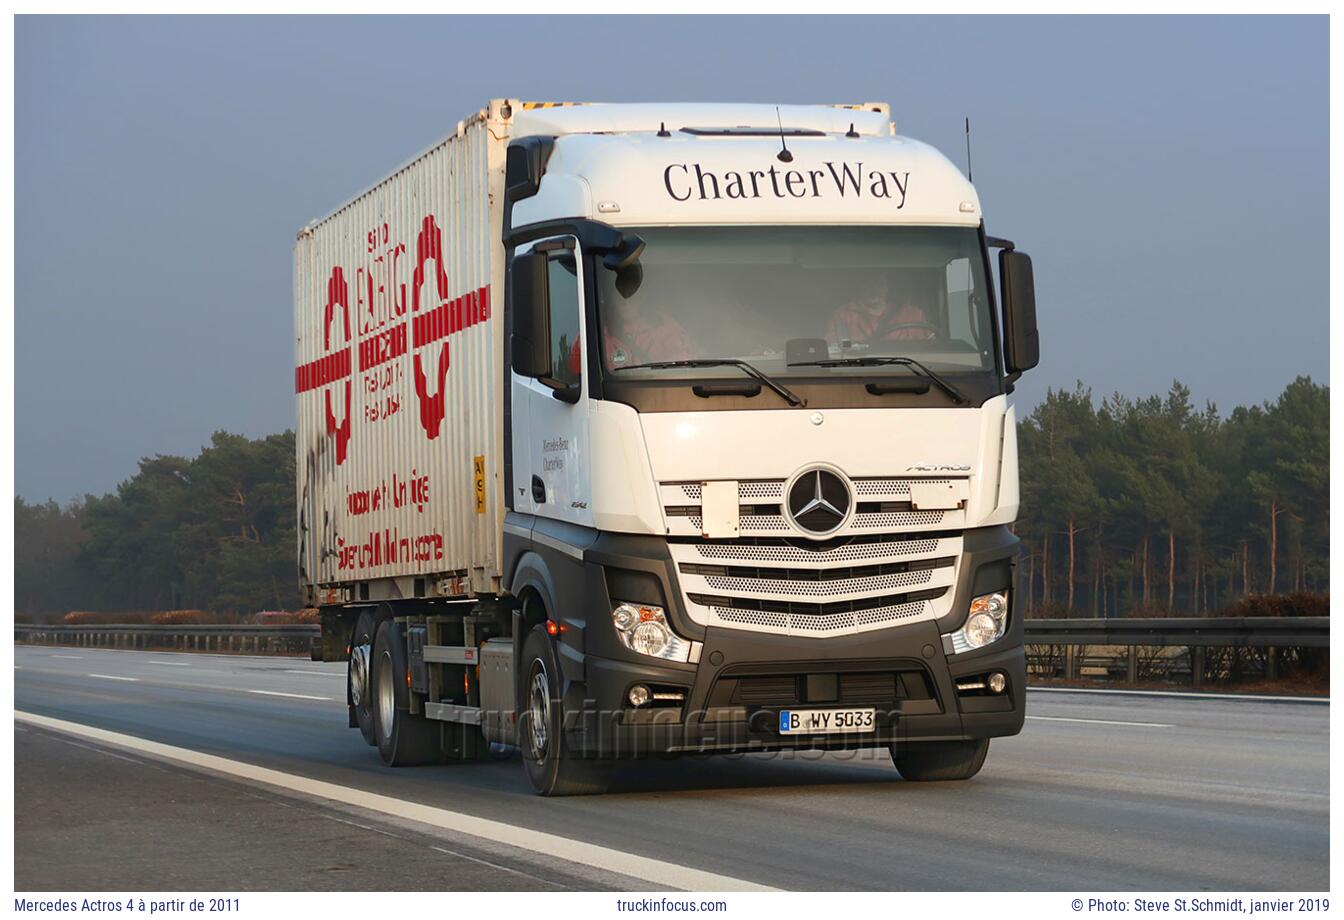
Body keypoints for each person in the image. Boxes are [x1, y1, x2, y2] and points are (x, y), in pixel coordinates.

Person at [601, 271, 698, 368]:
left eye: (630, 296)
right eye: (620, 297)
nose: (626, 303)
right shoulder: (604, 333)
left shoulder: (661, 323)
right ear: (613, 300)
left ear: (641, 298)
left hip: (658, 381)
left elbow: (683, 359)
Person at [826, 271, 937, 346]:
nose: (873, 289)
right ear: (859, 287)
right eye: (867, 284)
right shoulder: (843, 315)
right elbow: (833, 350)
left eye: (878, 283)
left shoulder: (913, 314)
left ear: (887, 287)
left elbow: (933, 349)